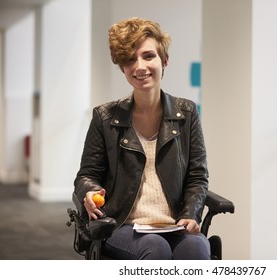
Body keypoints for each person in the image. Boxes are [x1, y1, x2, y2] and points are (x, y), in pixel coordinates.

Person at [73, 17, 210, 260]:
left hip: (175, 224)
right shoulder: (105, 117)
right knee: (155, 248)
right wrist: (90, 192)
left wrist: (191, 214)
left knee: (196, 248)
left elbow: (197, 176)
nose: (139, 67)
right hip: (123, 224)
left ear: (164, 60)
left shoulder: (187, 113)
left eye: (148, 56)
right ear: (122, 67)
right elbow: (87, 175)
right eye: (129, 59)